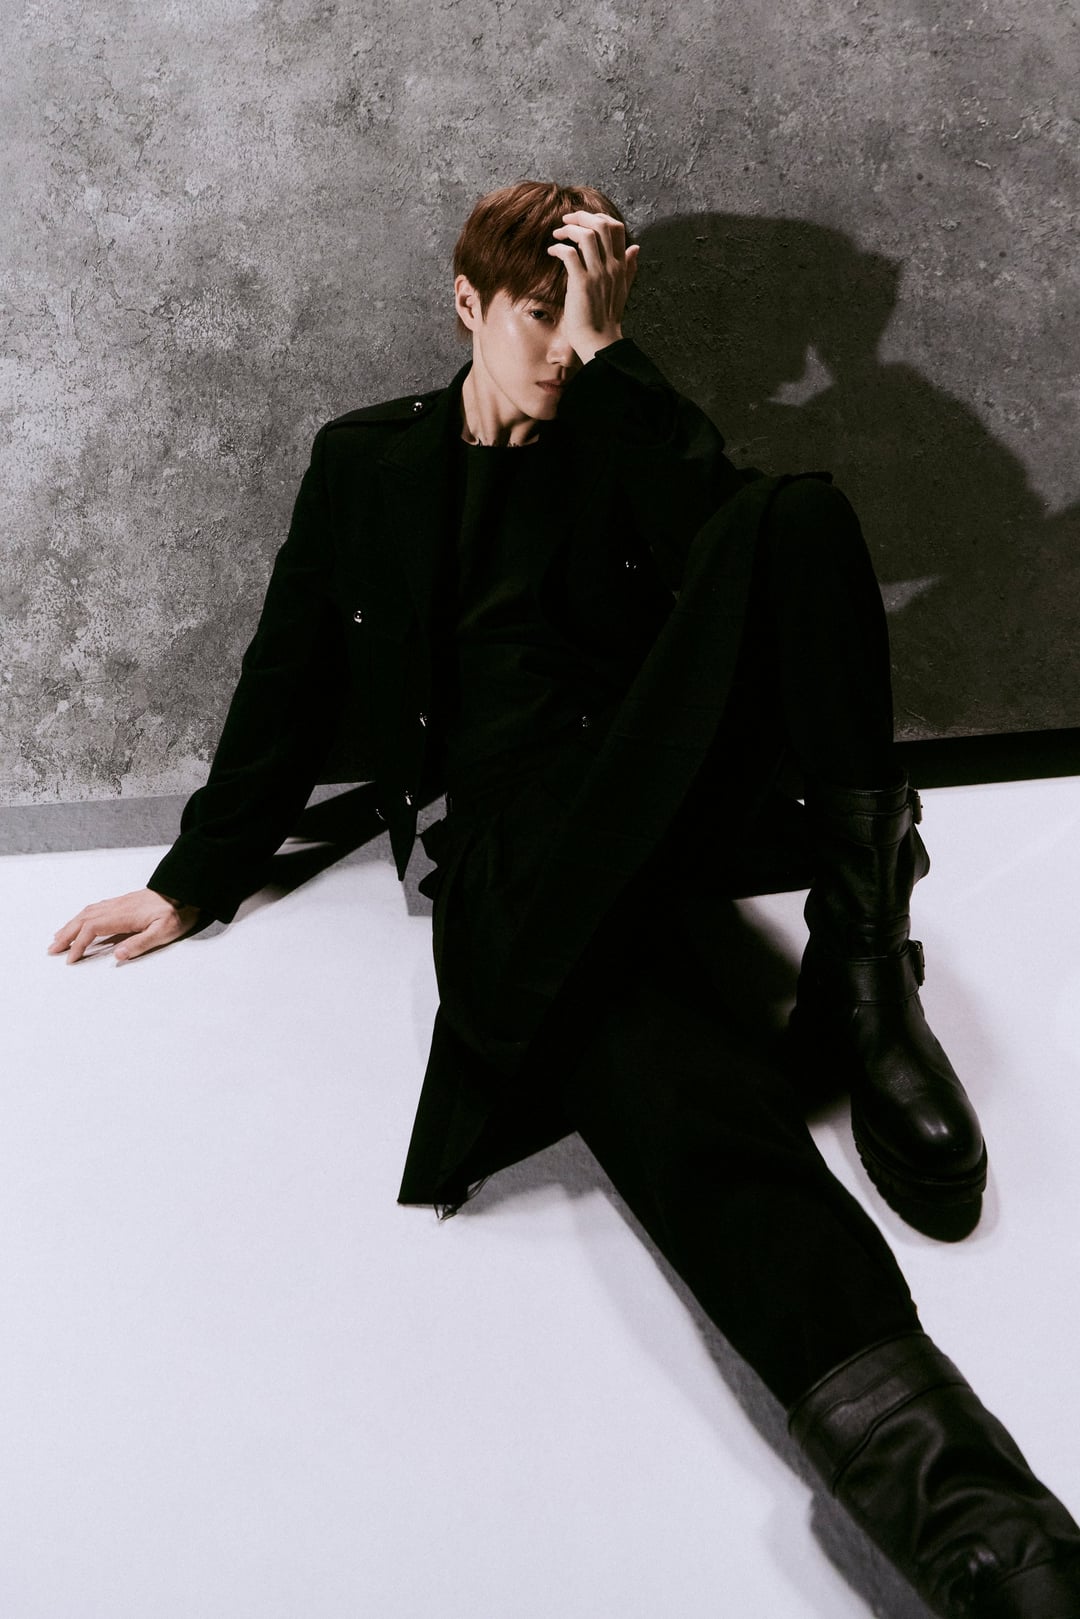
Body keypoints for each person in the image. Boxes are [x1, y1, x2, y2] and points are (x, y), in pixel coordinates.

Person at [50, 182, 1080, 1616]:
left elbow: (741, 549)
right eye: (539, 314)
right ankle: (1000, 1548)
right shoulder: (365, 465)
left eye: (589, 314)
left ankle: (862, 967)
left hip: (663, 803)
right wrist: (190, 883)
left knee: (794, 516)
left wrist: (613, 359)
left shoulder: (622, 431)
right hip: (516, 861)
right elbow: (285, 683)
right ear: (466, 306)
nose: (560, 345)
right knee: (698, 1124)